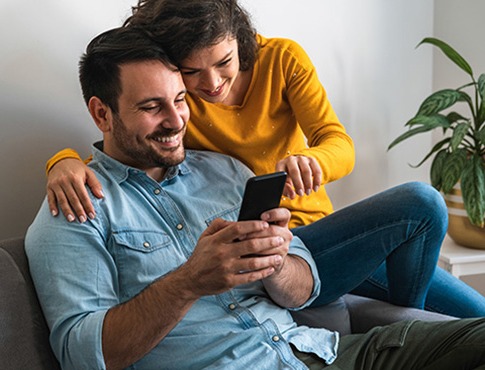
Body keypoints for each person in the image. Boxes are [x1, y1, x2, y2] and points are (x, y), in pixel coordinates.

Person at [26, 26, 485, 370]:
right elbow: (83, 354)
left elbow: (305, 288)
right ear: (101, 113)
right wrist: (189, 281)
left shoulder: (226, 170)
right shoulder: (75, 211)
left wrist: (278, 260)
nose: (175, 120)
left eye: (181, 100)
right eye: (151, 107)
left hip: (323, 354)